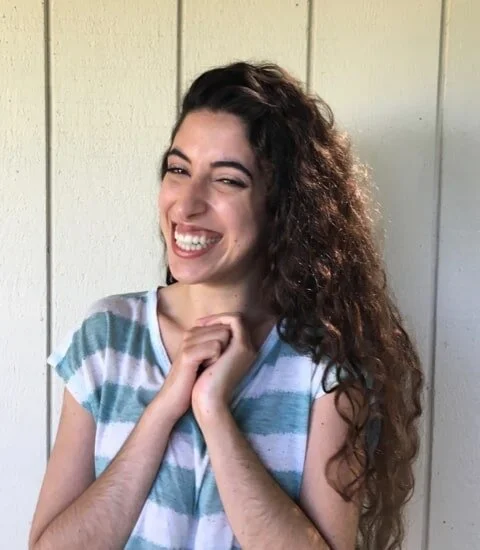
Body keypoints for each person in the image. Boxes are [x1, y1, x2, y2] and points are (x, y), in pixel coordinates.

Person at [29, 61, 423, 550]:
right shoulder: (106, 338)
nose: (186, 204)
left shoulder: (325, 364)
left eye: (227, 180)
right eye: (178, 170)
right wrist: (164, 408)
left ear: (282, 206)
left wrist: (213, 411)